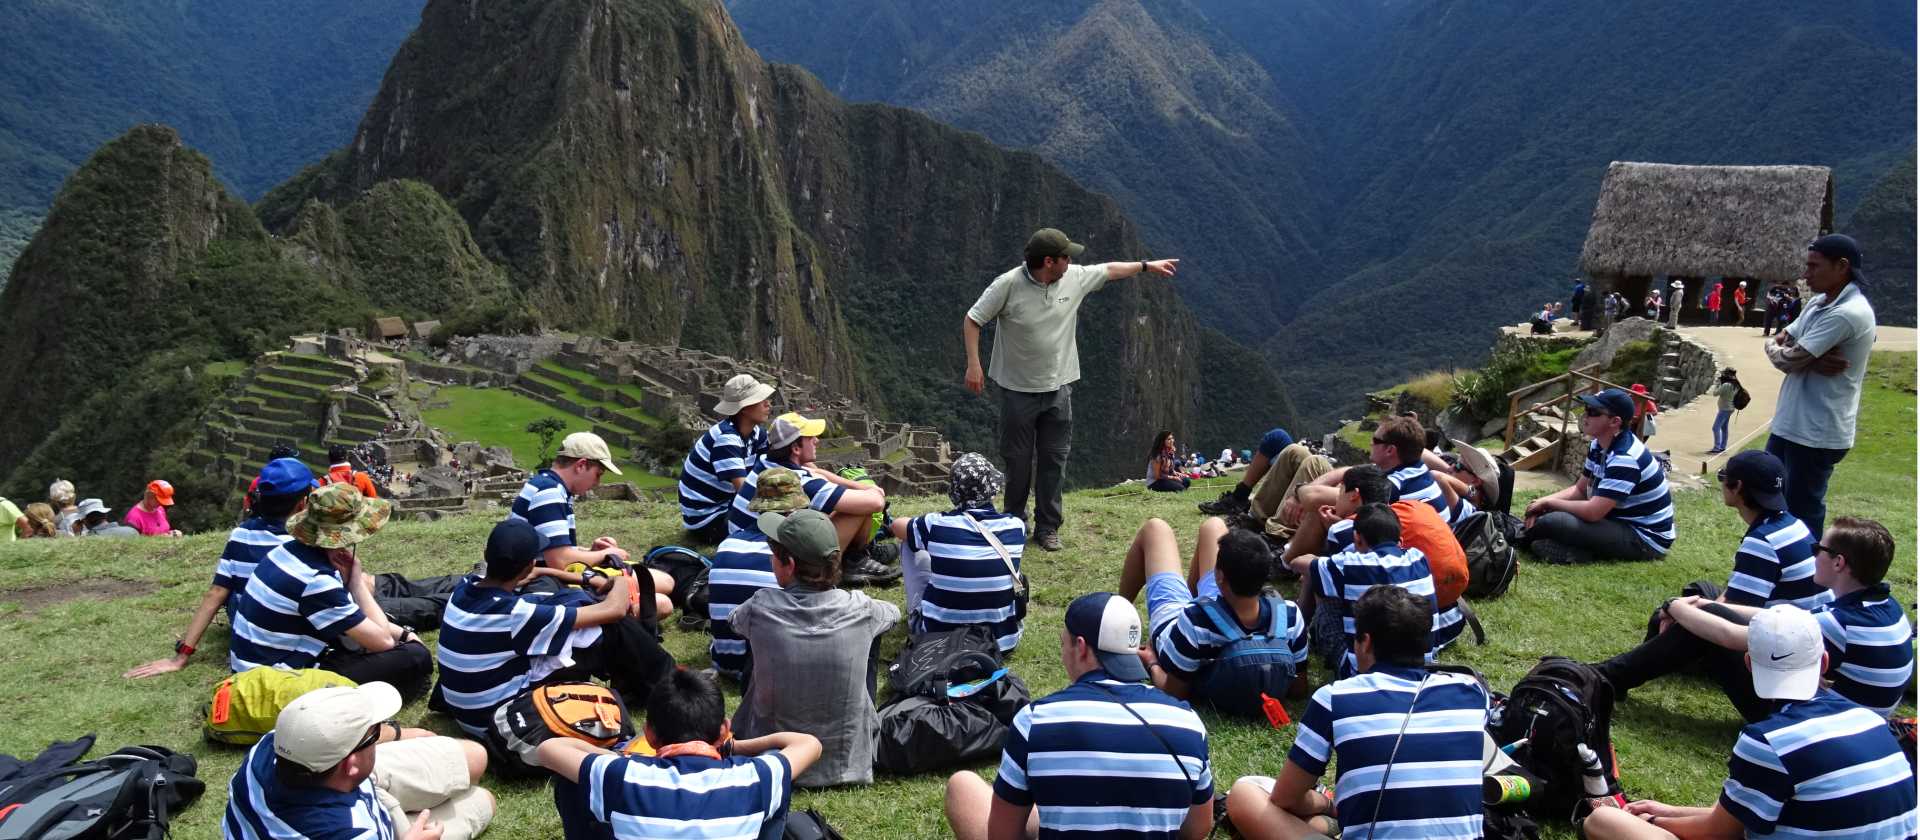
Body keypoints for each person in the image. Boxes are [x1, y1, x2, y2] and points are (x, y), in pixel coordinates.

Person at [1579, 606, 1916, 840]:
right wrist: (1671, 810)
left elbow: (1719, 833)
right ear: (1824, 661)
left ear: (1749, 664)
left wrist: (1651, 819)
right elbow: (1749, 817)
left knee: (1604, 821)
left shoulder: (1769, 741)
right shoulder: (1869, 722)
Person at [962, 227, 1180, 553]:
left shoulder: (1073, 278)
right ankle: (1015, 521)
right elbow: (973, 319)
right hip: (1017, 391)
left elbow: (1110, 270)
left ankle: (1048, 527)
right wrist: (973, 364)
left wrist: (1147, 266)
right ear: (1049, 261)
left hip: (1058, 389)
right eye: (1066, 256)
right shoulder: (1007, 285)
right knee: (1018, 461)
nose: (1071, 261)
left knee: (1054, 460)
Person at [944, 592, 1214, 840]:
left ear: (1081, 647)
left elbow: (1003, 835)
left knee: (963, 786)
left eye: (1064, 644)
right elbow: (1198, 828)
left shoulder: (1035, 722)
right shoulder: (1188, 722)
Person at [1225, 585, 1488, 840]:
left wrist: (1327, 803)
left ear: (1366, 642)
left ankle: (1327, 819)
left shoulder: (1334, 698)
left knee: (1245, 794)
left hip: (1331, 808)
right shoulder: (1472, 692)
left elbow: (1286, 798)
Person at [1593, 512, 1910, 722]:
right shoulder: (1884, 607)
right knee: (1709, 605)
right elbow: (1780, 616)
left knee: (1708, 625)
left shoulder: (1841, 624)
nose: (1813, 555)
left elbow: (1730, 638)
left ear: (1839, 563)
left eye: (1819, 549)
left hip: (1822, 725)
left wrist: (1676, 606)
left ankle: (1602, 679)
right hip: (1850, 719)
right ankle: (1610, 676)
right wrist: (1700, 604)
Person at [432, 520, 675, 759]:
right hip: (503, 723)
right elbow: (615, 609)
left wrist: (549, 572)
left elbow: (533, 583)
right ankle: (667, 684)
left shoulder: (464, 587)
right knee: (610, 628)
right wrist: (620, 580)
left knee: (565, 603)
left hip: (468, 715)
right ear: (527, 567)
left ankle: (643, 680)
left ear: (487, 555)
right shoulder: (516, 615)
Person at [538, 667, 822, 840]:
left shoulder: (623, 776)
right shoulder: (754, 777)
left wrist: (616, 759)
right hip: (741, 770)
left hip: (625, 773)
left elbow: (549, 748)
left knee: (575, 779)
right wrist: (734, 747)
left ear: (648, 733)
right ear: (723, 729)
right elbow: (808, 743)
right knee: (778, 780)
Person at [729, 508, 900, 787]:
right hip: (848, 766)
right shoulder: (862, 608)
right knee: (872, 635)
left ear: (790, 566)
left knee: (757, 642)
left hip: (774, 759)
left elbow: (734, 620)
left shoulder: (761, 606)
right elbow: (893, 613)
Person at [228, 483, 435, 700]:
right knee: (415, 656)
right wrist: (356, 582)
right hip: (278, 684)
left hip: (252, 671)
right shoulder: (316, 579)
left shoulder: (286, 551)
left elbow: (352, 615)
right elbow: (383, 642)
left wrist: (404, 633)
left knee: (364, 642)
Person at [224, 681, 495, 840]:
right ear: (351, 764)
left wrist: (401, 734)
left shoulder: (275, 745)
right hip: (363, 821)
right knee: (483, 800)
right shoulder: (351, 833)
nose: (382, 731)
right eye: (373, 731)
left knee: (475, 757)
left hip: (355, 789)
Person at [1114, 517, 1309, 707]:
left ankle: (1116, 614)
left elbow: (1173, 693)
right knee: (1214, 525)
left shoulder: (1195, 620)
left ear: (1220, 575)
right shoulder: (1290, 614)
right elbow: (1298, 689)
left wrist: (1152, 662)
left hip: (1180, 622)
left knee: (1155, 528)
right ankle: (1191, 595)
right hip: (1222, 608)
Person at [1763, 234, 1876, 536]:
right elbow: (1780, 343)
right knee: (1768, 500)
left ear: (1841, 267)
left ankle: (1805, 577)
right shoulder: (1817, 304)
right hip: (1790, 423)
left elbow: (1787, 358)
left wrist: (1796, 356)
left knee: (1802, 509)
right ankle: (1772, 566)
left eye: (1814, 266)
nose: (1806, 273)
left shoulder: (1847, 313)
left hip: (1816, 432)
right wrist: (1809, 359)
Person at [510, 431, 676, 602]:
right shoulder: (549, 493)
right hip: (547, 581)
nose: (598, 483)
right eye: (598, 474)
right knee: (662, 594)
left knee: (662, 584)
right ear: (581, 465)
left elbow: (551, 551)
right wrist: (606, 554)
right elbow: (560, 562)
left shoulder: (549, 486)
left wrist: (589, 551)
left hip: (550, 575)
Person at [729, 412, 894, 584]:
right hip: (776, 564)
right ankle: (853, 560)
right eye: (810, 437)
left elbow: (813, 470)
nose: (816, 440)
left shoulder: (767, 462)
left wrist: (861, 486)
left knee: (850, 501)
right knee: (860, 508)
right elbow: (875, 503)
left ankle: (854, 557)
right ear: (796, 448)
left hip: (745, 548)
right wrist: (872, 490)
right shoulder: (798, 481)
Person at [891, 453, 1027, 652]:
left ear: (953, 492)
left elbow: (896, 526)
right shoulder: (1015, 527)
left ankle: (919, 613)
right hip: (1001, 643)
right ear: (993, 491)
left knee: (909, 541)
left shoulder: (935, 524)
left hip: (937, 640)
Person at [1523, 388, 1674, 564]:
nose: (1585, 415)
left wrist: (1549, 504)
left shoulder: (1625, 458)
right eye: (1586, 408)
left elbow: (1593, 512)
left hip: (1644, 538)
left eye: (1594, 412)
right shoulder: (1598, 445)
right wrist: (1541, 503)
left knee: (1555, 521)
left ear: (1614, 422)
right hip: (1617, 520)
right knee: (1548, 515)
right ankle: (1564, 547)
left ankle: (1581, 553)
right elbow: (1580, 490)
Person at [707, 467, 812, 679]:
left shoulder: (728, 543)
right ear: (794, 510)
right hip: (769, 666)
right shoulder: (791, 549)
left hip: (725, 661)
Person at [678, 373, 774, 545]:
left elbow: (776, 463)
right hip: (707, 519)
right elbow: (745, 492)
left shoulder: (755, 434)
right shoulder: (726, 438)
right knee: (776, 529)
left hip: (726, 505)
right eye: (761, 401)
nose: (768, 404)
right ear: (744, 408)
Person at [1708, 368, 1740, 454]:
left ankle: (1717, 447)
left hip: (1724, 409)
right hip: (1729, 408)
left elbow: (1715, 393)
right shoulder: (1736, 384)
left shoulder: (1726, 385)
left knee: (1715, 428)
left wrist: (1717, 384)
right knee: (1724, 427)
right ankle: (1722, 446)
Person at [72, 497, 139, 537]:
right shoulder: (132, 531)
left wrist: (77, 533)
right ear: (105, 514)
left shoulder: (91, 538)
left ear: (84, 520)